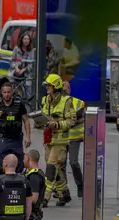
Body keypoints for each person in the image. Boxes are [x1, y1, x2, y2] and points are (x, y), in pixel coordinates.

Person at [39, 74, 76, 206]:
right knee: (57, 169)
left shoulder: (66, 101)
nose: (47, 88)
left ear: (56, 86)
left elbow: (71, 121)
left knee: (51, 167)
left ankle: (45, 197)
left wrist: (57, 124)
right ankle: (64, 194)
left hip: (60, 142)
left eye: (49, 85)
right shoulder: (45, 100)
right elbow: (44, 116)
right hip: (48, 139)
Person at [0, 81, 31, 174]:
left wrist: (28, 137)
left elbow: (26, 120)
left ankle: (16, 182)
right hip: (2, 139)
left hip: (16, 139)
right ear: (1, 93)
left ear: (12, 92)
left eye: (8, 92)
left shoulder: (19, 104)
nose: (6, 94)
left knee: (19, 164)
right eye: (4, 92)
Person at [63, 82, 85, 198]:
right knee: (60, 164)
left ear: (70, 90)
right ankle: (63, 189)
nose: (63, 91)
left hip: (74, 137)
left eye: (65, 89)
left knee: (73, 162)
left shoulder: (78, 102)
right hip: (60, 137)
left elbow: (74, 118)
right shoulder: (56, 103)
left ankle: (80, 185)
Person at [11, 31, 36, 105]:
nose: (26, 41)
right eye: (24, 39)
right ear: (21, 40)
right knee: (18, 94)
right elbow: (12, 61)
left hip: (27, 76)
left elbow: (31, 65)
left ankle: (28, 112)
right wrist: (16, 68)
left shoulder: (31, 50)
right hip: (17, 75)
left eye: (28, 39)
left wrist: (23, 70)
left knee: (28, 95)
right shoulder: (16, 49)